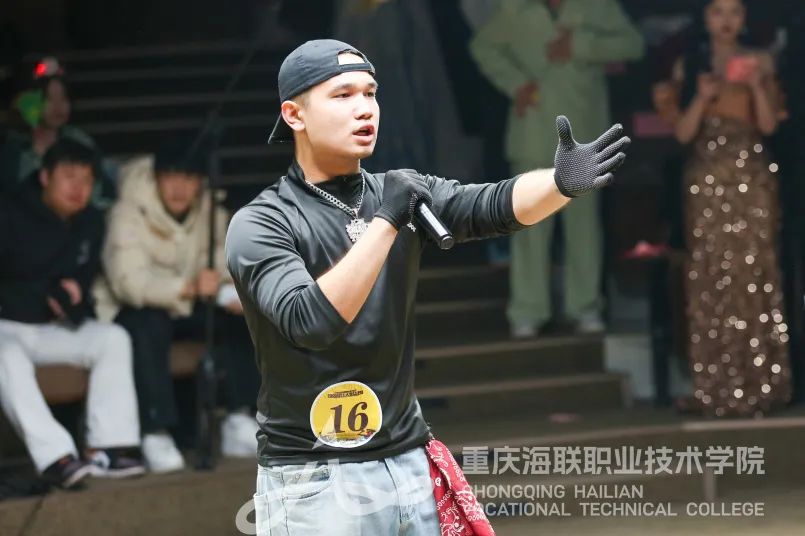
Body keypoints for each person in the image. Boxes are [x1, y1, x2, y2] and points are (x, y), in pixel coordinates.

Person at [225, 39, 630, 535]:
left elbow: (492, 205)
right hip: (315, 476)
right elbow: (311, 321)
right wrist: (387, 220)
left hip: (408, 460)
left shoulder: (400, 192)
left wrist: (560, 183)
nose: (364, 108)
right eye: (343, 95)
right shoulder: (262, 222)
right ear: (294, 114)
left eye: (370, 93)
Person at [469, 0, 644, 338]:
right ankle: (527, 310)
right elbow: (483, 47)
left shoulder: (595, 5)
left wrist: (581, 46)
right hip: (532, 132)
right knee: (530, 226)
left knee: (584, 229)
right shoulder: (515, 8)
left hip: (584, 132)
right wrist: (516, 84)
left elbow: (632, 43)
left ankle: (585, 307)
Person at [94, 143, 260, 473]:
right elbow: (129, 283)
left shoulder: (209, 209)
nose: (179, 187)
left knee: (240, 316)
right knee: (148, 323)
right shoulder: (128, 211)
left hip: (187, 306)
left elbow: (228, 258)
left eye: (189, 178)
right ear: (156, 178)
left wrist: (226, 288)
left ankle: (238, 418)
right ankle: (155, 431)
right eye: (171, 177)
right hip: (129, 310)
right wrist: (188, 287)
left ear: (200, 182)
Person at [669, 0, 791, 417]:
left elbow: (770, 125)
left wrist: (756, 85)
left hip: (752, 176)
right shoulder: (691, 65)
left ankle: (761, 383)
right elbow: (683, 133)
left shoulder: (760, 61)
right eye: (717, 12)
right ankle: (715, 387)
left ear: (744, 18)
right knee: (711, 275)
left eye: (734, 12)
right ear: (705, 18)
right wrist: (702, 98)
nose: (726, 21)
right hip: (706, 179)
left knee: (754, 273)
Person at [0, 139, 143, 489]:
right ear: (45, 176)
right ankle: (56, 457)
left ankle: (106, 448)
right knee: (5, 355)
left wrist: (72, 294)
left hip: (53, 328)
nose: (78, 188)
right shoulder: (9, 212)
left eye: (86, 179)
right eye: (69, 177)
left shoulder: (90, 221)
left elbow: (82, 279)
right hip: (7, 326)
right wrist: (44, 292)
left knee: (112, 338)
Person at [0, 57, 114, 208]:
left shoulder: (80, 141)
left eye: (63, 98)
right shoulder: (13, 150)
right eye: (49, 99)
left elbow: (102, 192)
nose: (58, 106)